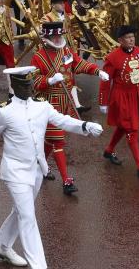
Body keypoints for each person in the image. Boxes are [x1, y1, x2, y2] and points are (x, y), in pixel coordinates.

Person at [0, 66, 103, 268]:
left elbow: (62, 120)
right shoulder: (3, 112)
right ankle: (39, 265)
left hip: (37, 169)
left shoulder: (42, 106)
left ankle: (4, 247)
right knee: (28, 217)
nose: (30, 88)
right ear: (16, 85)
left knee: (20, 211)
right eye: (25, 84)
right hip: (14, 172)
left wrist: (85, 127)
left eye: (31, 83)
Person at [31, 21, 108, 195]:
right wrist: (49, 80)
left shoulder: (66, 52)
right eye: (55, 36)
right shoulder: (39, 57)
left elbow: (80, 64)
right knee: (58, 140)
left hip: (65, 100)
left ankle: (39, 165)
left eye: (60, 35)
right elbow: (35, 82)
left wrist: (97, 71)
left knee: (51, 139)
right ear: (48, 37)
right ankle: (66, 180)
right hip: (49, 102)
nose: (58, 38)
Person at [98, 25, 139, 179]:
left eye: (133, 37)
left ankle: (109, 150)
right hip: (121, 97)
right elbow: (105, 81)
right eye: (128, 38)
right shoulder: (112, 57)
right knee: (132, 129)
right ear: (120, 40)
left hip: (137, 96)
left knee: (124, 126)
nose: (131, 40)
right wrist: (103, 101)